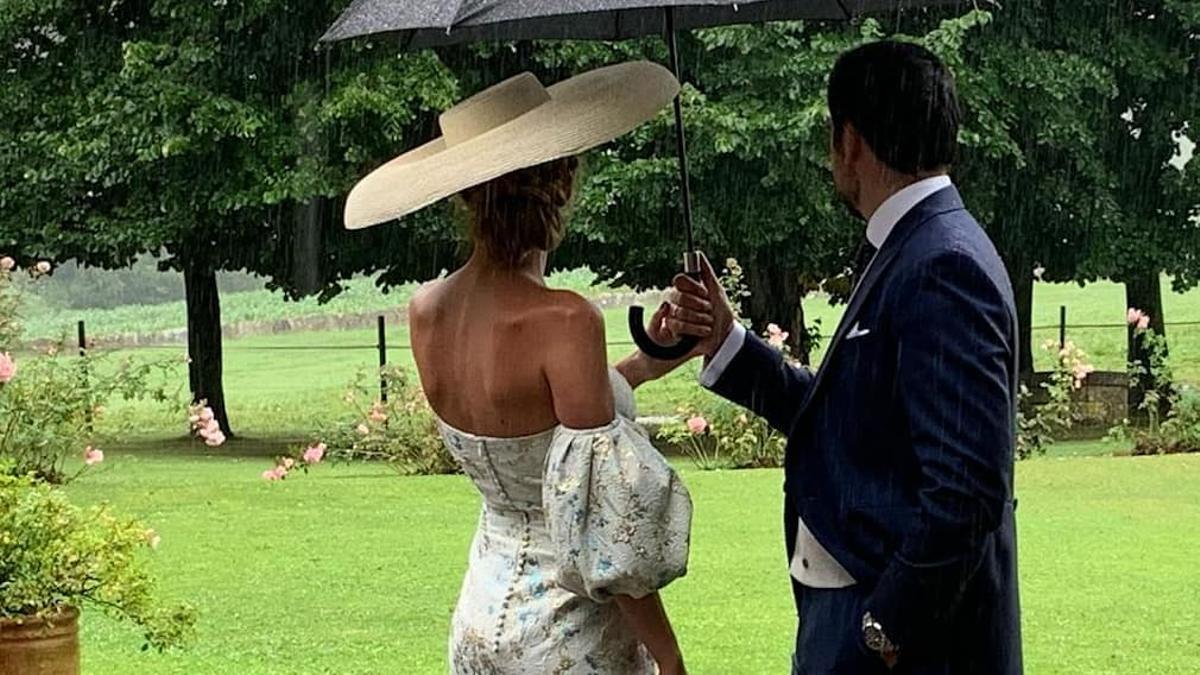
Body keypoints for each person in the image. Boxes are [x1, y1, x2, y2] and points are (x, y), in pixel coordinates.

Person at [652, 41, 1023, 673]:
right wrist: (725, 340)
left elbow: (968, 490)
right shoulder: (911, 244)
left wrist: (883, 628)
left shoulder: (942, 263)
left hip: (904, 642)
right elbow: (847, 413)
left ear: (848, 141)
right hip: (854, 617)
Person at [342, 62, 693, 674]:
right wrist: (669, 659)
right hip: (569, 631)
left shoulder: (427, 311)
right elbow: (604, 524)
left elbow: (528, 426)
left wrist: (644, 364)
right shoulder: (566, 319)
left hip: (480, 617)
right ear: (561, 183)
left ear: (466, 197)